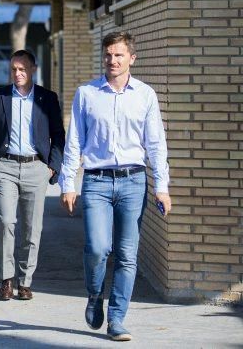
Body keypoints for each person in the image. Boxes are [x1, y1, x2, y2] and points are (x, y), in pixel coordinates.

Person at [59, 31, 171, 342]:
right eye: (108, 55)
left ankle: (117, 318)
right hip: (95, 181)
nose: (113, 60)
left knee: (126, 255)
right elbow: (75, 142)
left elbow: (156, 145)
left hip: (134, 181)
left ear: (132, 58)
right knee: (97, 249)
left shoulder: (145, 95)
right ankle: (95, 296)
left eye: (119, 55)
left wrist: (161, 186)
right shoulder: (86, 93)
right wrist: (69, 184)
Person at [0, 49, 65, 301]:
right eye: (14, 70)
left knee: (32, 228)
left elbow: (58, 135)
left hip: (36, 168)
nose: (18, 74)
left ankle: (25, 281)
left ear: (32, 70)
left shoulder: (47, 98)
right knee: (6, 222)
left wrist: (52, 166)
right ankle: (6, 280)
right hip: (5, 167)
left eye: (22, 69)